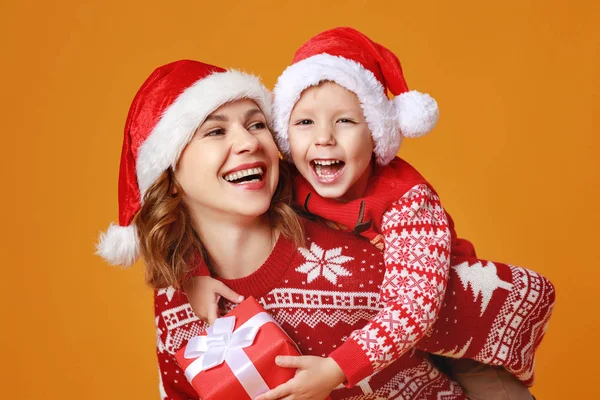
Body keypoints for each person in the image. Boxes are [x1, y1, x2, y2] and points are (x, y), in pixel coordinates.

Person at [97, 59, 466, 399]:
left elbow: (471, 316)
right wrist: (191, 272)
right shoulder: (176, 296)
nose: (249, 142)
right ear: (169, 175)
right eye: (215, 132)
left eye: (257, 124)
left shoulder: (348, 262)